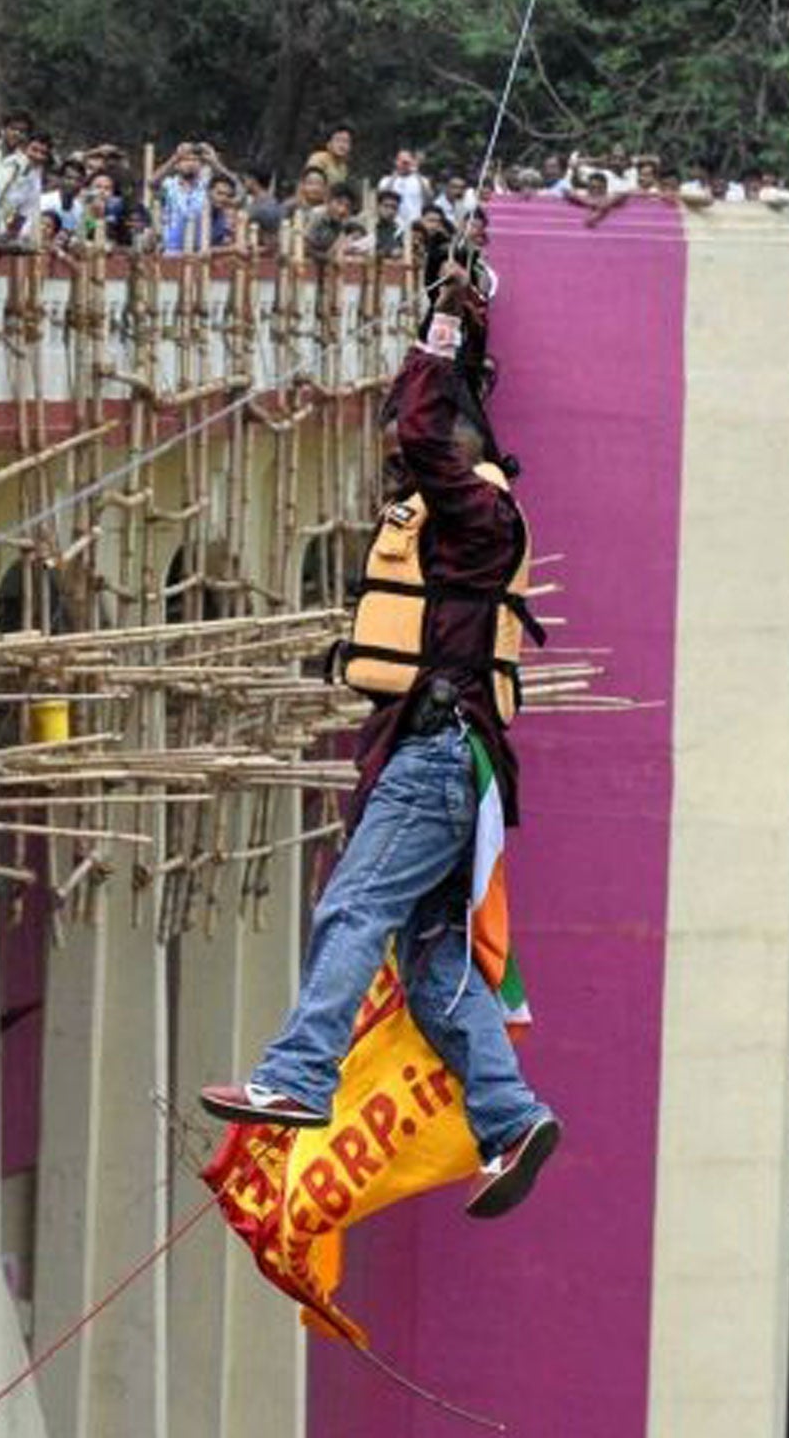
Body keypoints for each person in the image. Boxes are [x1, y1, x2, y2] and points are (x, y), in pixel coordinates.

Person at [201, 256, 561, 1220]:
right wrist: (463, 319)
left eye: (423, 461)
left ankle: (300, 1076)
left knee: (352, 908)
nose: (406, 470)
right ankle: (510, 1115)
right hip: (455, 767)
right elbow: (439, 424)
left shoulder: (474, 515)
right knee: (435, 956)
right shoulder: (472, 517)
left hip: (436, 760)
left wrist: (432, 345)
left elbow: (422, 427)